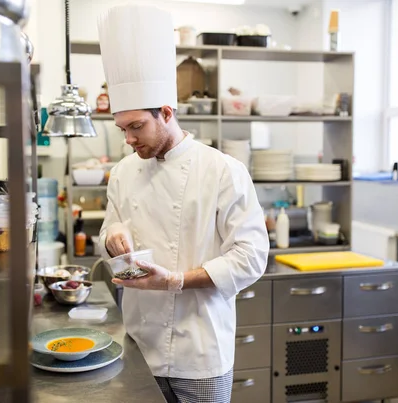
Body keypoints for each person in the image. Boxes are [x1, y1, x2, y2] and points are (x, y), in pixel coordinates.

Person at [97, 5, 269, 402]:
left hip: (201, 349)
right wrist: (114, 237)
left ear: (167, 113)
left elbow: (251, 256)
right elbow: (110, 229)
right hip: (139, 344)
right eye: (122, 129)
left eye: (137, 126)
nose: (129, 139)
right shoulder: (123, 172)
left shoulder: (223, 170)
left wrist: (175, 281)